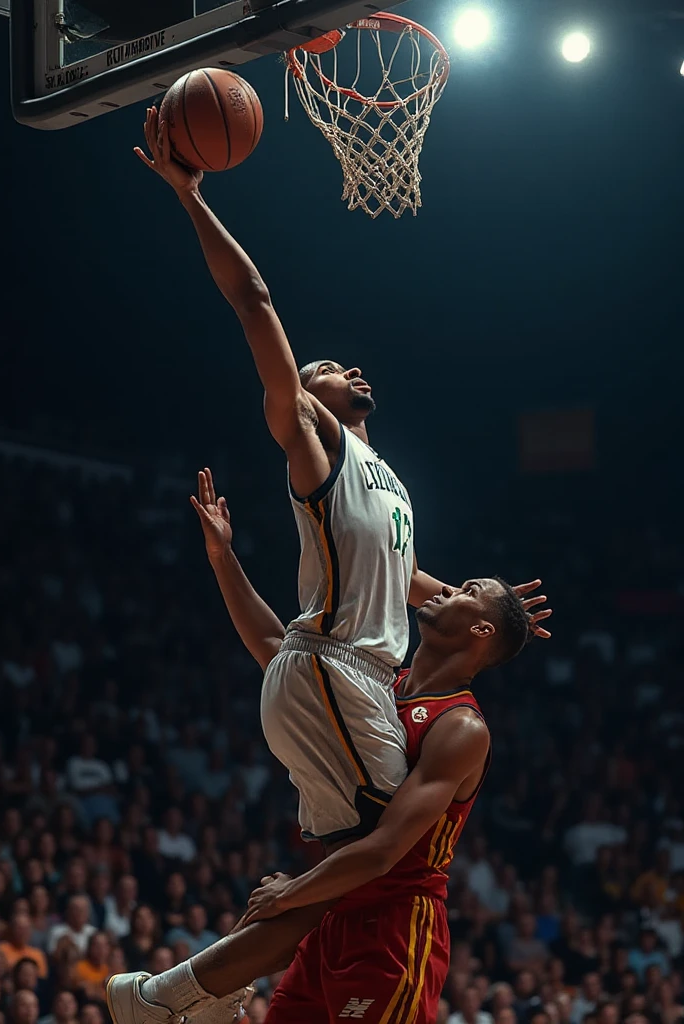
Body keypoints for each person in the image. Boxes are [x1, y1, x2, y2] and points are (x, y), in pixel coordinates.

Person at [135, 111, 550, 853]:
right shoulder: (315, 445)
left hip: (344, 674)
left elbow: (407, 574)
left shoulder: (389, 479)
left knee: (365, 856)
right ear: (305, 396)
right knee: (393, 851)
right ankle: (190, 975)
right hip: (336, 670)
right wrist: (190, 195)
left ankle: (227, 967)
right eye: (326, 368)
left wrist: (495, 615)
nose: (345, 369)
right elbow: (253, 300)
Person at [107, 492, 550, 1024]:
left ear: (481, 631)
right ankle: (168, 999)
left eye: (466, 590)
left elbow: (384, 849)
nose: (448, 588)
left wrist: (291, 894)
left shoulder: (460, 726)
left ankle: (164, 1000)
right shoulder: (383, 687)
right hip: (334, 910)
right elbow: (280, 649)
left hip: (394, 923)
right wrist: (224, 557)